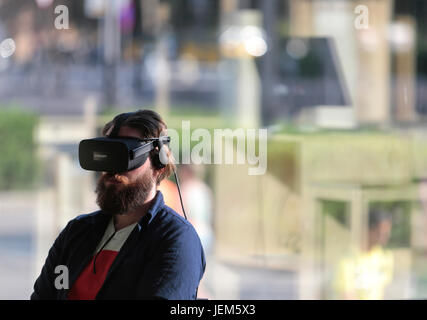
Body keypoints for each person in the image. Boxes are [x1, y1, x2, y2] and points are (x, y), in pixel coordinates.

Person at [31, 110, 206, 300]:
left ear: (159, 164)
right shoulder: (76, 233)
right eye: (108, 155)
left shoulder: (175, 240)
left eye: (126, 156)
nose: (113, 170)